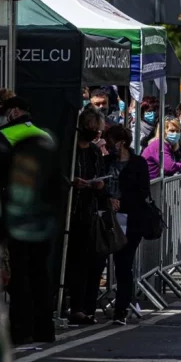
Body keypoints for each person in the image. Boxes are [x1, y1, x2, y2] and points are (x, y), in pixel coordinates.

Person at [0, 94, 56, 343]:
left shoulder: (4, 136)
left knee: (20, 273)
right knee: (40, 271)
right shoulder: (45, 135)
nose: (2, 116)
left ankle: (21, 329)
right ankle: (44, 328)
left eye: (6, 111)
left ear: (15, 112)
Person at [66, 106, 110, 325]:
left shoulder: (93, 152)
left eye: (96, 130)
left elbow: (101, 178)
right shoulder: (69, 150)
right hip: (69, 213)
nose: (93, 133)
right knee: (71, 263)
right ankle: (70, 305)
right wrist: (72, 182)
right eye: (90, 128)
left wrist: (99, 185)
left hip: (88, 214)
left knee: (87, 263)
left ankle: (82, 306)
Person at [104, 125, 150, 325]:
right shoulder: (105, 162)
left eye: (110, 141)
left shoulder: (138, 163)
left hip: (131, 220)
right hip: (106, 218)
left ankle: (121, 309)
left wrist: (122, 201)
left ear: (121, 142)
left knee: (123, 265)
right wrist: (107, 199)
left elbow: (144, 190)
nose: (107, 145)